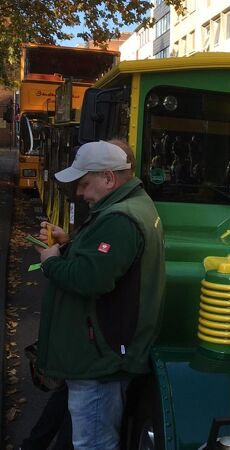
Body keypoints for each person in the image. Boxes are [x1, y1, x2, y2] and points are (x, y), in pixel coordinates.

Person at [33, 140, 165, 450]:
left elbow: (90, 278)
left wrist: (50, 261)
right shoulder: (131, 206)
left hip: (100, 359)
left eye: (85, 183)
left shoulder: (120, 219)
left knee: (93, 442)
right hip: (105, 353)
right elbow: (109, 262)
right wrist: (70, 244)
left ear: (108, 178)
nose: (80, 193)